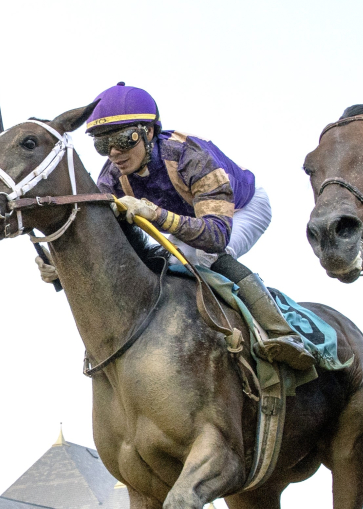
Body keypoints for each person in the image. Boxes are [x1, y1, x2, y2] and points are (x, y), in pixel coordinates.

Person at [37, 83, 314, 371]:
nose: (115, 153)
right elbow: (104, 244)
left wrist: (155, 214)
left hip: (242, 209)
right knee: (164, 264)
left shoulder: (191, 157)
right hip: (192, 221)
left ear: (149, 132)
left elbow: (216, 236)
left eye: (125, 139)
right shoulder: (112, 180)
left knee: (205, 256)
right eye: (103, 145)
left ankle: (283, 333)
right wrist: (61, 268)